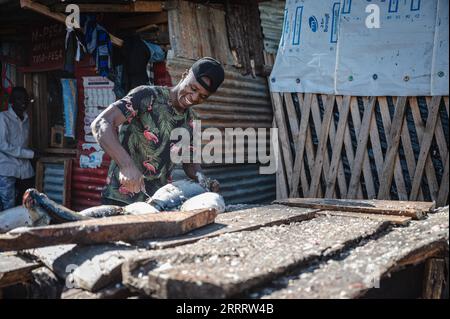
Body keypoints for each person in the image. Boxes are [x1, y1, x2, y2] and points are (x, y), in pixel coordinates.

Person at [92, 57, 225, 206]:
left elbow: (190, 164)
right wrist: (126, 165)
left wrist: (203, 180)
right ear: (185, 75)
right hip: (120, 198)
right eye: (193, 88)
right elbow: (101, 123)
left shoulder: (192, 121)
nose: (193, 98)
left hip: (157, 204)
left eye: (202, 96)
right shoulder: (147, 96)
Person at [0, 87, 37, 211]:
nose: (23, 102)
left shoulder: (26, 119)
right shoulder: (3, 118)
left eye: (25, 99)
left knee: (26, 204)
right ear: (12, 101)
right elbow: (3, 145)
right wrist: (30, 154)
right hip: (7, 169)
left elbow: (22, 144)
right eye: (18, 99)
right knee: (8, 206)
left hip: (25, 170)